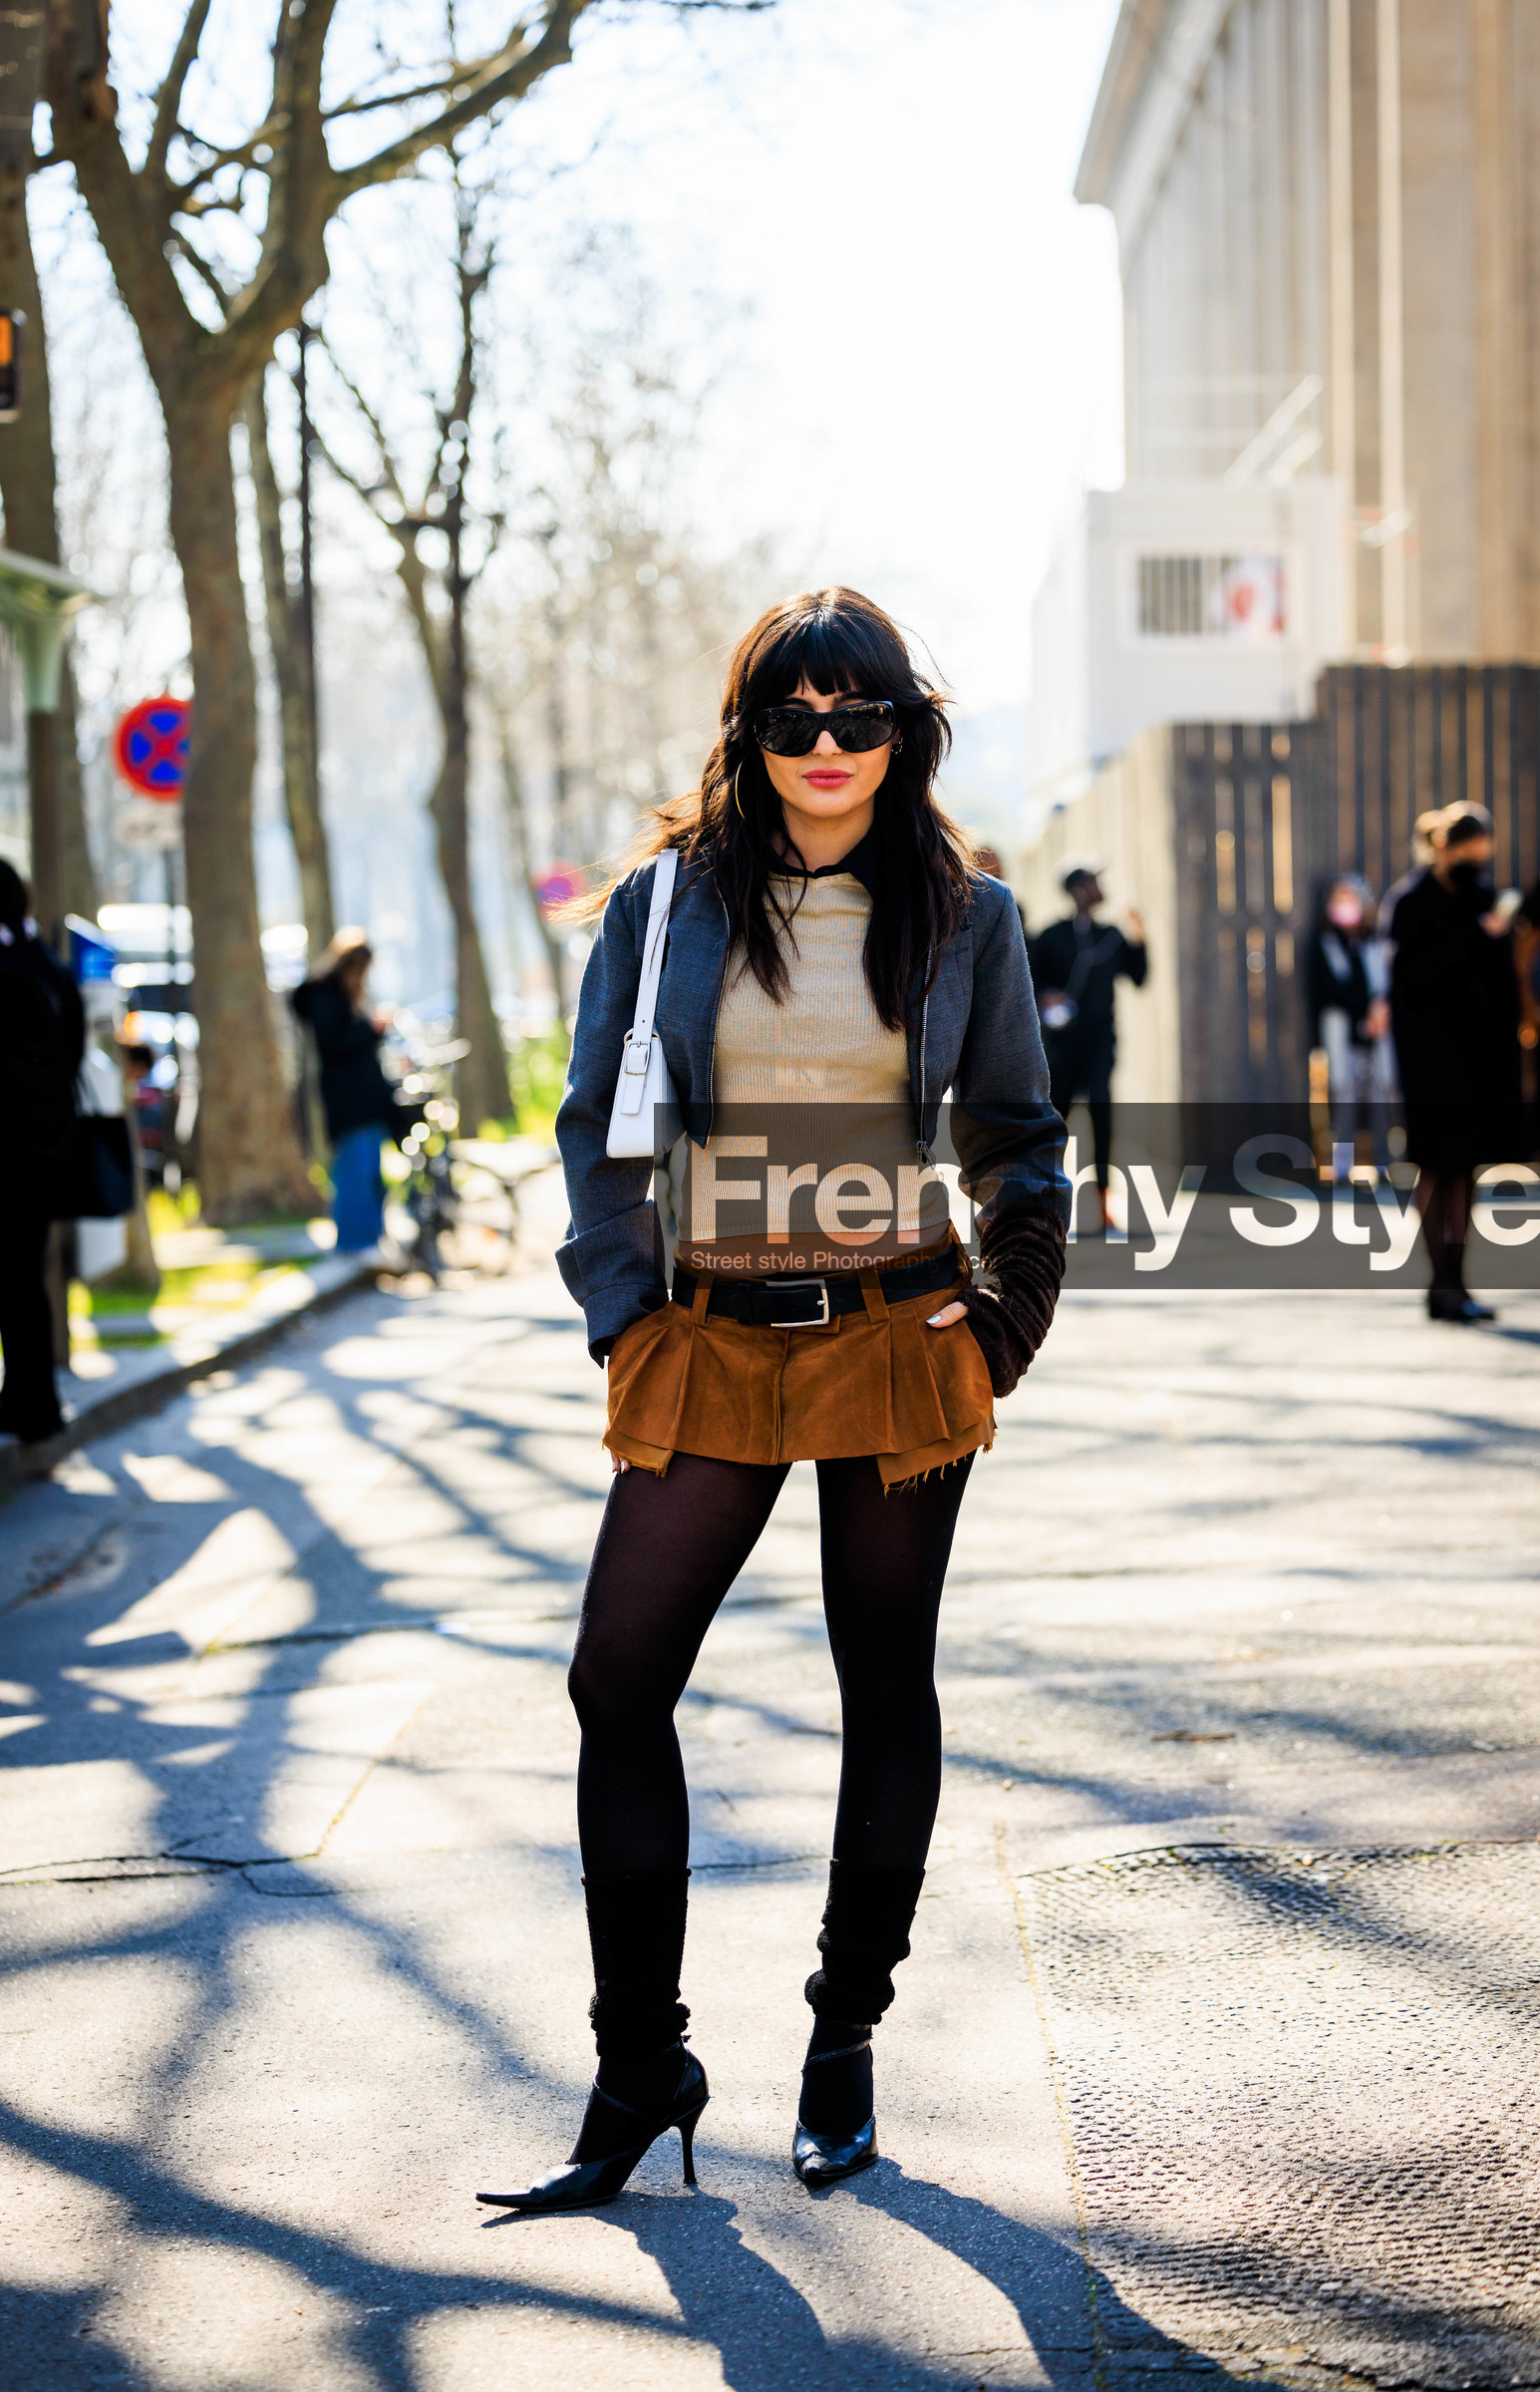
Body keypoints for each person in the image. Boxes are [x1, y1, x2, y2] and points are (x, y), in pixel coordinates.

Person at [478, 587, 1069, 2215]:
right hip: (715, 1332)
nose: (823, 746)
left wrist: (1004, 1315)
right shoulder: (666, 904)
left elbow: (1020, 1135)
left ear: (903, 730)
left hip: (895, 1332)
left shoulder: (967, 916)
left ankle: (842, 2038)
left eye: (855, 717)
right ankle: (638, 2058)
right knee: (616, 1674)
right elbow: (596, 1123)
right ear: (750, 730)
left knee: (885, 1677)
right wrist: (622, 1316)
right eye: (790, 717)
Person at [1387, 803, 1527, 1322]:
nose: (1478, 860)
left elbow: (1501, 982)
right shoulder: (1411, 901)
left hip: (1478, 1058)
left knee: (1465, 1168)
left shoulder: (1484, 897)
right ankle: (1439, 1282)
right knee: (1436, 1165)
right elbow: (1410, 979)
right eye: (1471, 849)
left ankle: (1458, 1281)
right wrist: (1476, 936)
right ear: (1446, 847)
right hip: (1428, 1058)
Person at [0, 860, 84, 1446]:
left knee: (18, 1281)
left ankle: (29, 1404)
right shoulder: (47, 964)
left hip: (10, 1152)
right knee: (24, 1280)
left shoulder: (9, 971)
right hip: (44, 1151)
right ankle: (33, 1404)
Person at [1027, 860, 1146, 1229]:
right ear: (1077, 890)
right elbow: (1031, 984)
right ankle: (1047, 1206)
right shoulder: (1050, 936)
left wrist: (1140, 938)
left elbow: (1139, 977)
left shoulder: (1110, 935)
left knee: (1101, 1116)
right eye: (1093, 882)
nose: (1099, 888)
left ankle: (1104, 1205)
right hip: (1061, 1048)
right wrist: (1048, 998)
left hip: (1100, 1043)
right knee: (1054, 1124)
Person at [290, 929, 400, 1253]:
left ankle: (369, 1237)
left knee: (369, 1174)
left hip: (364, 1101)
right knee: (355, 1172)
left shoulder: (341, 996)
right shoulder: (328, 996)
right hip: (349, 1102)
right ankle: (355, 1242)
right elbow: (334, 1044)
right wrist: (370, 1029)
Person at [1308, 874, 1393, 1172]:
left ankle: (1383, 1164)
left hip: (1375, 1035)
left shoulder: (1373, 944)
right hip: (1342, 1033)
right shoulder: (1325, 945)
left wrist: (1379, 1010)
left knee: (1381, 1095)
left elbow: (1383, 984)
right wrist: (1363, 1009)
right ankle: (1341, 1167)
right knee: (1343, 1097)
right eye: (1339, 899)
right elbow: (1329, 991)